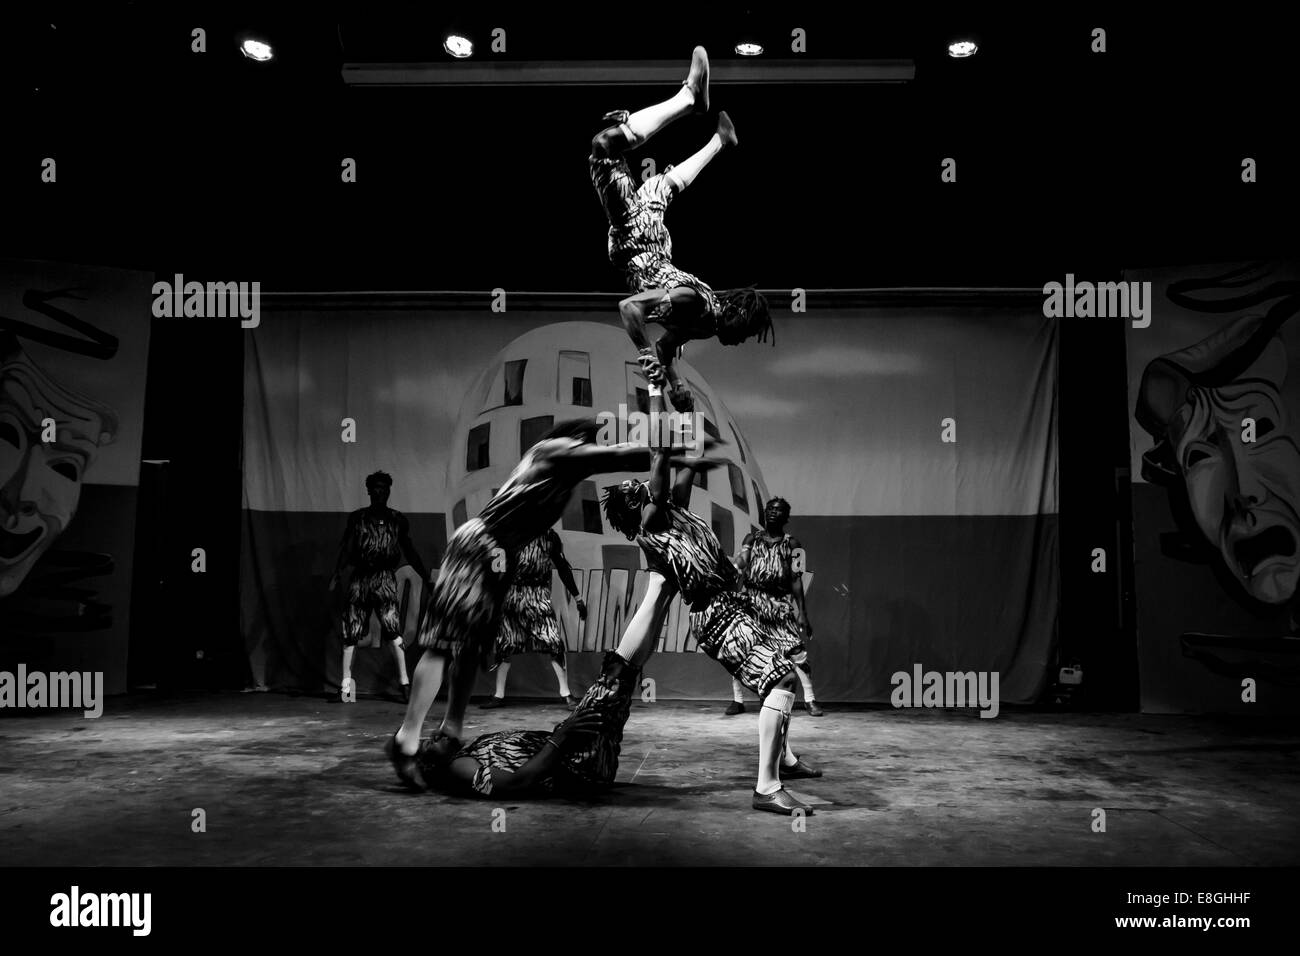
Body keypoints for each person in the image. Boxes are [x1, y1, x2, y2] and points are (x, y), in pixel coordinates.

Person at [385, 419, 706, 789]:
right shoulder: (552, 452)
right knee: (444, 644)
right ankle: (405, 741)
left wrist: (678, 462)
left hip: (498, 555)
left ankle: (451, 729)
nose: (594, 447)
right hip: (479, 544)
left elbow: (637, 472)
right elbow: (619, 455)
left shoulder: (562, 471)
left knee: (469, 647)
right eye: (592, 441)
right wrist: (679, 450)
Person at [599, 429, 822, 815]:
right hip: (717, 615)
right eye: (633, 488)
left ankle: (784, 760)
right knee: (782, 679)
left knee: (780, 678)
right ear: (635, 506)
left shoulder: (676, 510)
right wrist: (655, 394)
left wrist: (678, 393)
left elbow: (685, 463)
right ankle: (767, 788)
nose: (639, 485)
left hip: (739, 603)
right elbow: (663, 460)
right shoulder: (650, 525)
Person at [589, 45, 773, 413]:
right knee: (605, 147)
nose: (740, 342)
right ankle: (688, 98)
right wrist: (645, 358)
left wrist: (673, 381)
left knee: (663, 186)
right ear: (734, 314)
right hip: (636, 239)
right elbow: (630, 309)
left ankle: (719, 140)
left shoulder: (705, 324)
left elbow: (666, 347)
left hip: (653, 243)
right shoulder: (696, 303)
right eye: (746, 332)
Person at [417, 650, 643, 797]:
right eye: (429, 744)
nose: (435, 735)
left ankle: (662, 583)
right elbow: (515, 783)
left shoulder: (470, 751)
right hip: (578, 761)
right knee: (617, 672)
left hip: (581, 754)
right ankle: (661, 581)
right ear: (429, 765)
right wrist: (560, 738)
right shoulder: (458, 768)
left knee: (623, 670)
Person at [329, 471, 429, 703]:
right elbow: (347, 547)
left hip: (384, 578)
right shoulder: (358, 518)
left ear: (389, 491)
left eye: (384, 488)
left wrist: (425, 576)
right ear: (369, 490)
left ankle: (405, 684)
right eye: (376, 487)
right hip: (361, 578)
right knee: (350, 634)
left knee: (393, 631)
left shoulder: (397, 519)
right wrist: (337, 571)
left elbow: (410, 550)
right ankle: (345, 688)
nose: (380, 492)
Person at [728, 497, 822, 716]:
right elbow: (742, 561)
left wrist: (802, 613)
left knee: (796, 652)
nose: (773, 512)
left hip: (779, 604)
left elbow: (796, 579)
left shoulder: (793, 545)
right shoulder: (752, 539)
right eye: (770, 509)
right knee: (741, 650)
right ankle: (737, 700)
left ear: (786, 517)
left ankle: (810, 699)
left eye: (778, 510)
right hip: (752, 602)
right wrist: (732, 568)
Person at [481, 529, 587, 710]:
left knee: (554, 643)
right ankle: (498, 695)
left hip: (538, 595)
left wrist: (577, 598)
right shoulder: (510, 535)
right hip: (512, 595)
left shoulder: (549, 536)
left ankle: (566, 694)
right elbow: (495, 570)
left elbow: (562, 567)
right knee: (505, 645)